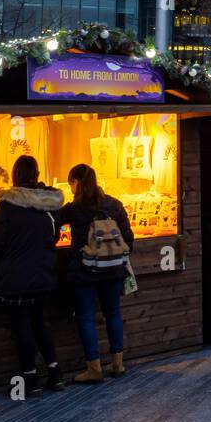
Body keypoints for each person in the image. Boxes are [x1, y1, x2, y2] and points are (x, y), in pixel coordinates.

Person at [0, 154, 64, 397]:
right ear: (38, 174)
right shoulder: (51, 204)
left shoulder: (8, 204)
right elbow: (54, 237)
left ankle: (30, 378)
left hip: (16, 276)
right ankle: (55, 373)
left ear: (16, 175)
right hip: (44, 274)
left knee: (22, 325)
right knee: (39, 321)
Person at [59, 163, 134, 382]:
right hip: (113, 270)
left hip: (85, 270)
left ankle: (94, 369)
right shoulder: (114, 204)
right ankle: (118, 364)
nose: (70, 188)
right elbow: (129, 239)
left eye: (70, 183)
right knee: (113, 314)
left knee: (85, 317)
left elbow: (52, 223)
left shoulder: (74, 208)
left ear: (76, 183)